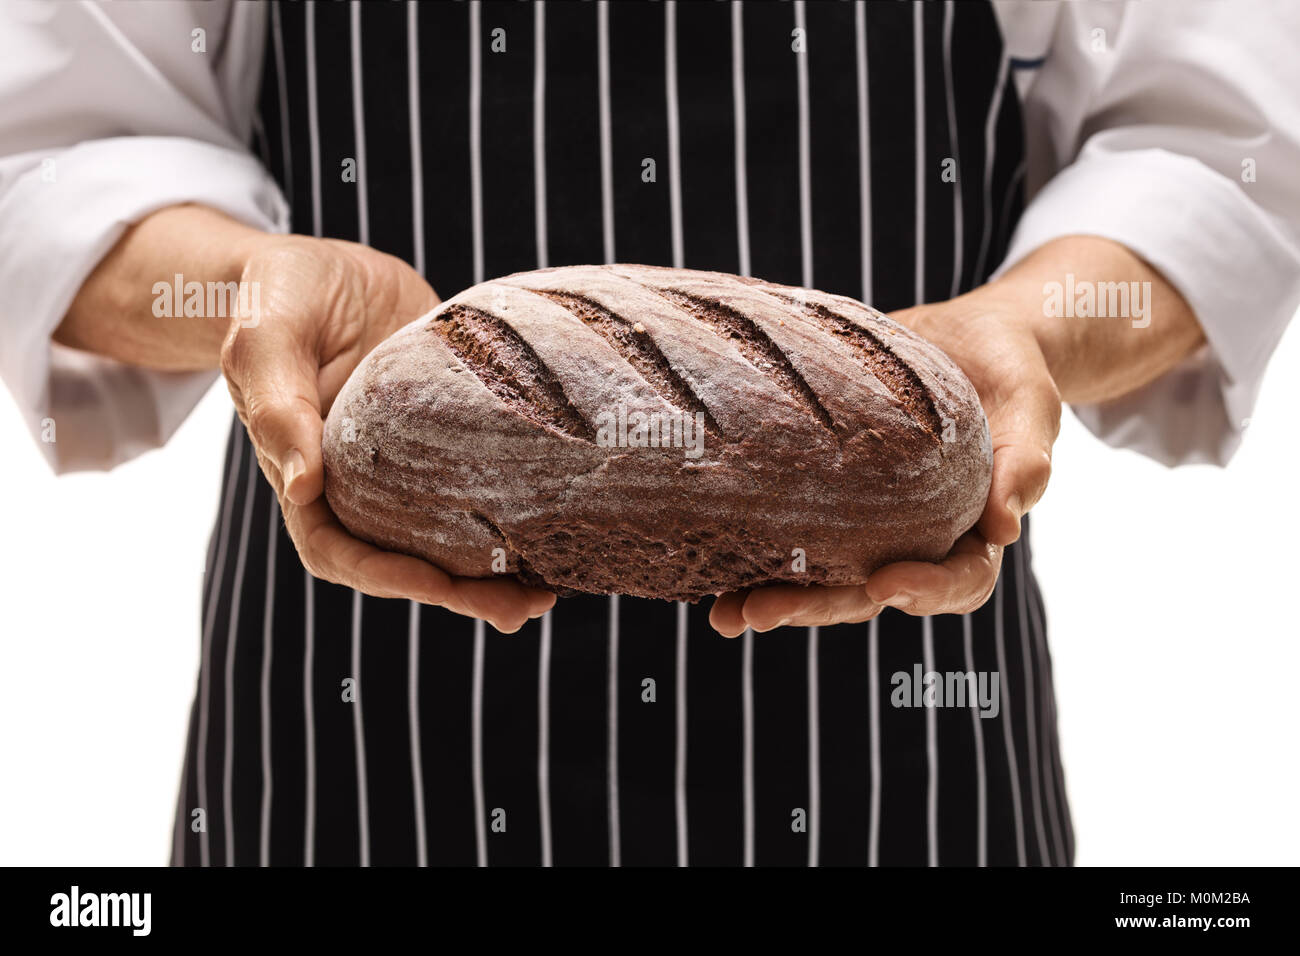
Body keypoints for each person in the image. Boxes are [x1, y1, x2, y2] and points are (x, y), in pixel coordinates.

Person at [2, 0, 1297, 867]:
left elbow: (1212, 143)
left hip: (899, 746)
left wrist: (1035, 327)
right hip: (362, 739)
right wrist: (244, 290)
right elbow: (59, 148)